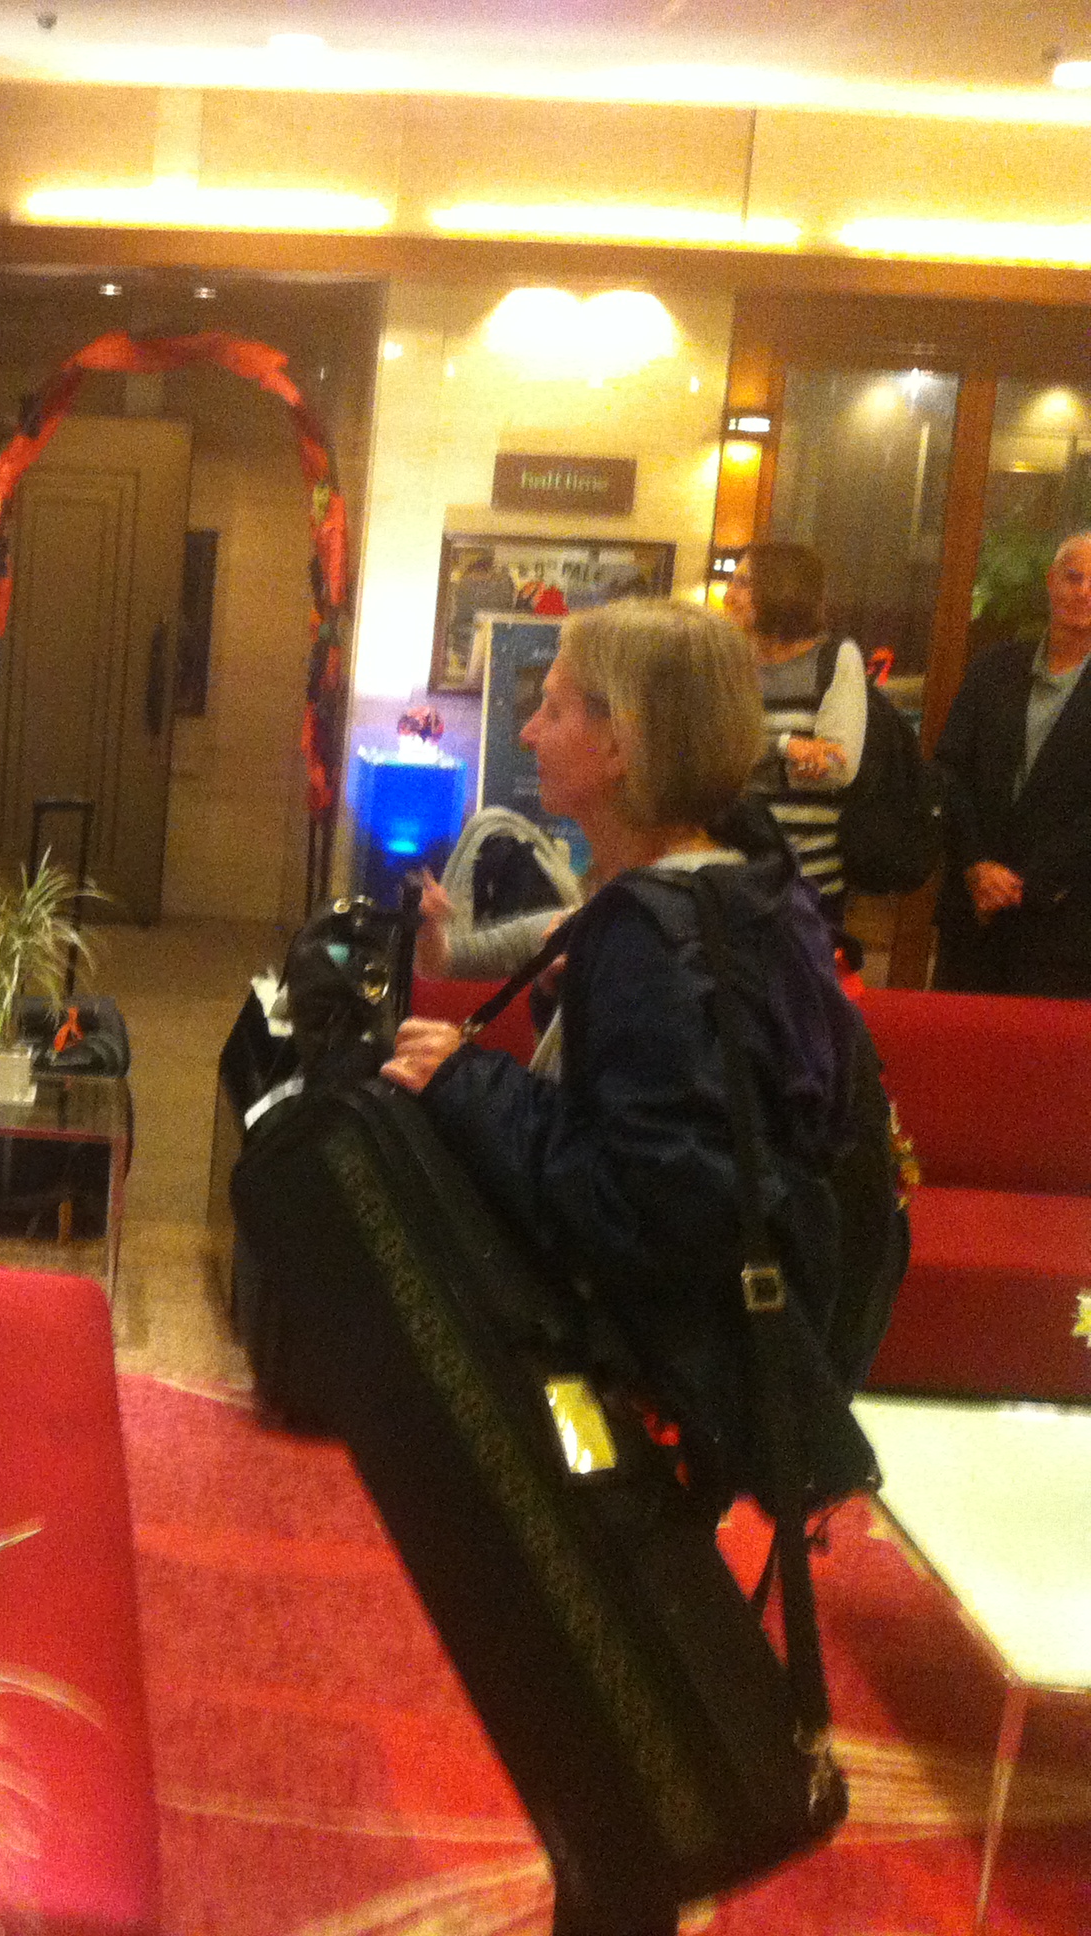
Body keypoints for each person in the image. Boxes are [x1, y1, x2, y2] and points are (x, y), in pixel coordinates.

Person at [379, 599, 868, 1934]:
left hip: (649, 1386)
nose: (532, 726)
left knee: (619, 1745)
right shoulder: (752, 894)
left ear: (624, 739)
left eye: (558, 705)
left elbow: (636, 1205)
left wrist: (470, 1087)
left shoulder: (654, 934)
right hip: (720, 1371)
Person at [931, 529, 1091, 996]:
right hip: (972, 908)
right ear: (1051, 581)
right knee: (952, 1037)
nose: (1084, 592)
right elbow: (948, 771)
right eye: (1074, 577)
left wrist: (1023, 883)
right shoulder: (994, 667)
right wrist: (976, 865)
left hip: (1065, 925)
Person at [725, 541, 864, 929]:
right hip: (729, 873)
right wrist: (787, 747)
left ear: (781, 589)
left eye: (742, 583)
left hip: (810, 880)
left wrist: (753, 765)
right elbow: (712, 753)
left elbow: (838, 768)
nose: (728, 596)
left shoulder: (835, 658)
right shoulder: (726, 658)